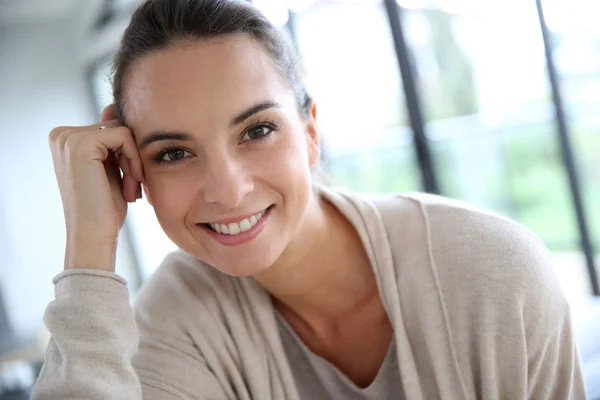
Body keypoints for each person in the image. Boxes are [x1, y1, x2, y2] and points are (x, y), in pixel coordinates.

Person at [31, 0, 586, 399]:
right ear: (132, 169)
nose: (228, 189)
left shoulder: (491, 273)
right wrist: (88, 248)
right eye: (174, 153)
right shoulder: (176, 321)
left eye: (256, 131)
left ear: (311, 132)